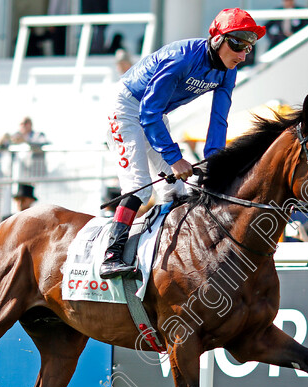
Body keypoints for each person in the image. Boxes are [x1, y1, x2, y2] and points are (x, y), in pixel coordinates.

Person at [100, 7, 265, 278]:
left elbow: (218, 121)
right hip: (128, 106)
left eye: (249, 47)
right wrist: (175, 158)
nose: (243, 55)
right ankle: (111, 255)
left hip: (154, 112)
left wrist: (215, 162)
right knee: (139, 186)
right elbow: (148, 113)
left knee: (176, 189)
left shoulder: (228, 71)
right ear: (217, 39)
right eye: (238, 45)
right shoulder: (181, 59)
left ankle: (162, 253)